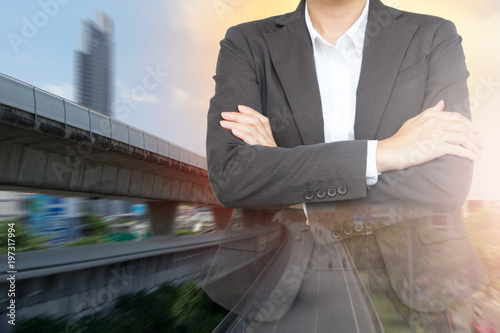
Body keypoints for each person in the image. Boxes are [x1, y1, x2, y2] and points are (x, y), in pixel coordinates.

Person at [203, 0, 487, 331]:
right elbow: (233, 176)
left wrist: (290, 180)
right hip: (279, 279)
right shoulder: (247, 43)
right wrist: (384, 153)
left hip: (408, 284)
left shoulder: (434, 35)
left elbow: (445, 181)